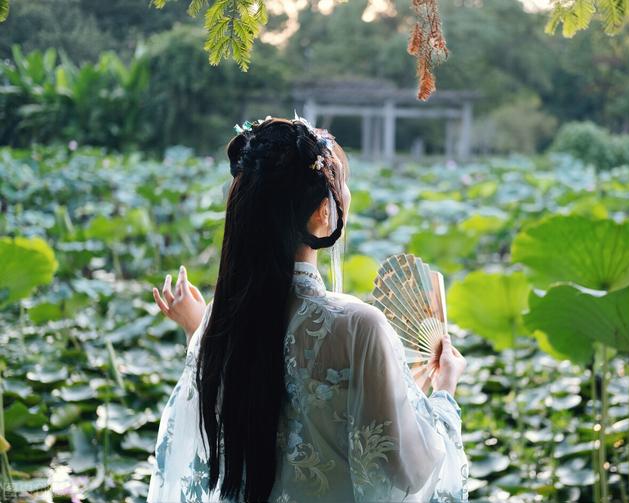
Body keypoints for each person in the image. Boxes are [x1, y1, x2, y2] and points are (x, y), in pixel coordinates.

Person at [147, 116, 468, 503]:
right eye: (342, 184)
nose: (346, 193)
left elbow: (217, 428)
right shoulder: (358, 327)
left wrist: (200, 330)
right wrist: (445, 391)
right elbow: (410, 472)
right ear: (322, 212)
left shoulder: (224, 320)